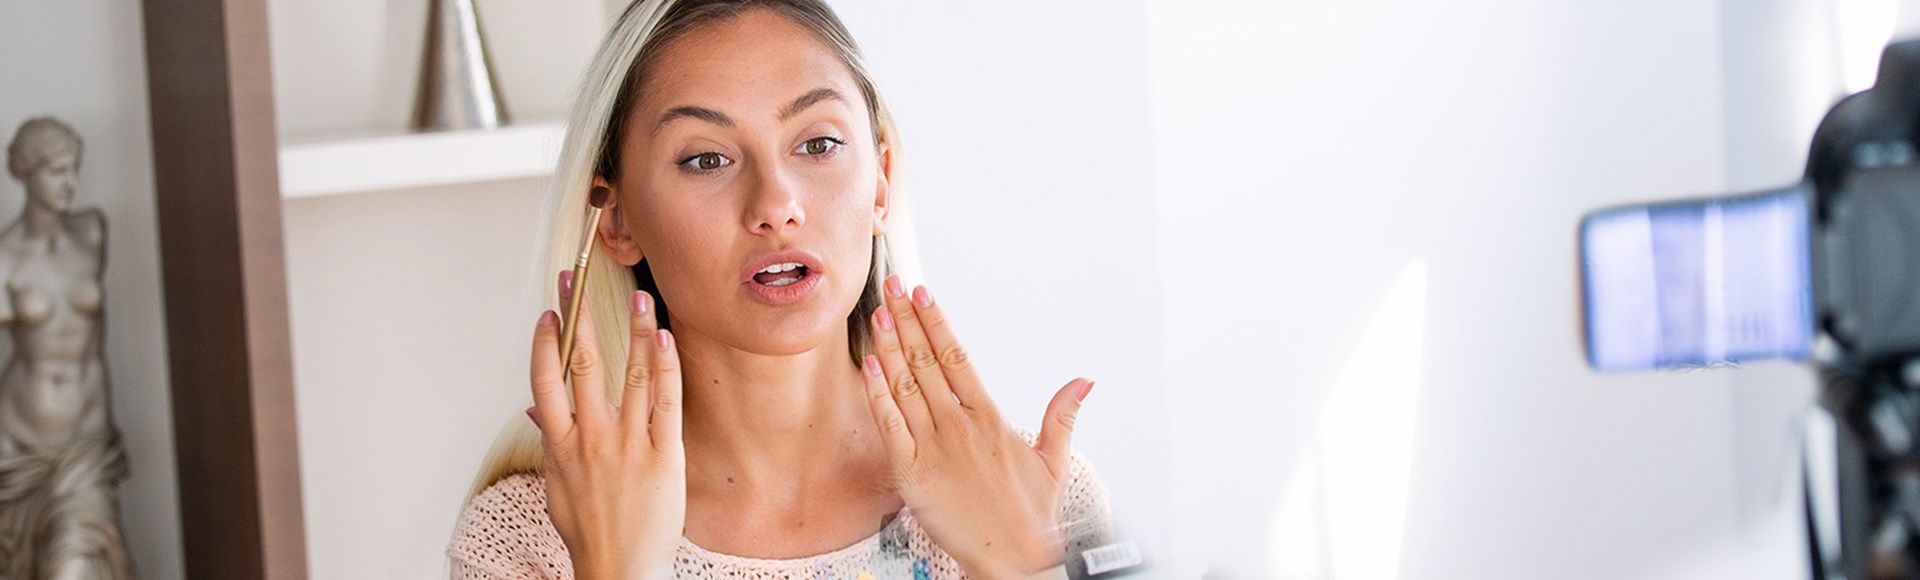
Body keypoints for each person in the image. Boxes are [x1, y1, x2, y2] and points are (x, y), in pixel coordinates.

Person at [446, 1, 1115, 578]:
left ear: (880, 183)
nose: (775, 205)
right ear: (616, 219)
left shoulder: (1036, 497)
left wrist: (1024, 563)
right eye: (707, 159)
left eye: (817, 144)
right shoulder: (528, 537)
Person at [0, 116, 134, 579]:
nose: (70, 183)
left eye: (75, 168)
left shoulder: (92, 233)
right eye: (57, 171)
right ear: (25, 172)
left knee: (74, 566)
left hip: (86, 449)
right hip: (22, 451)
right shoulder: (4, 260)